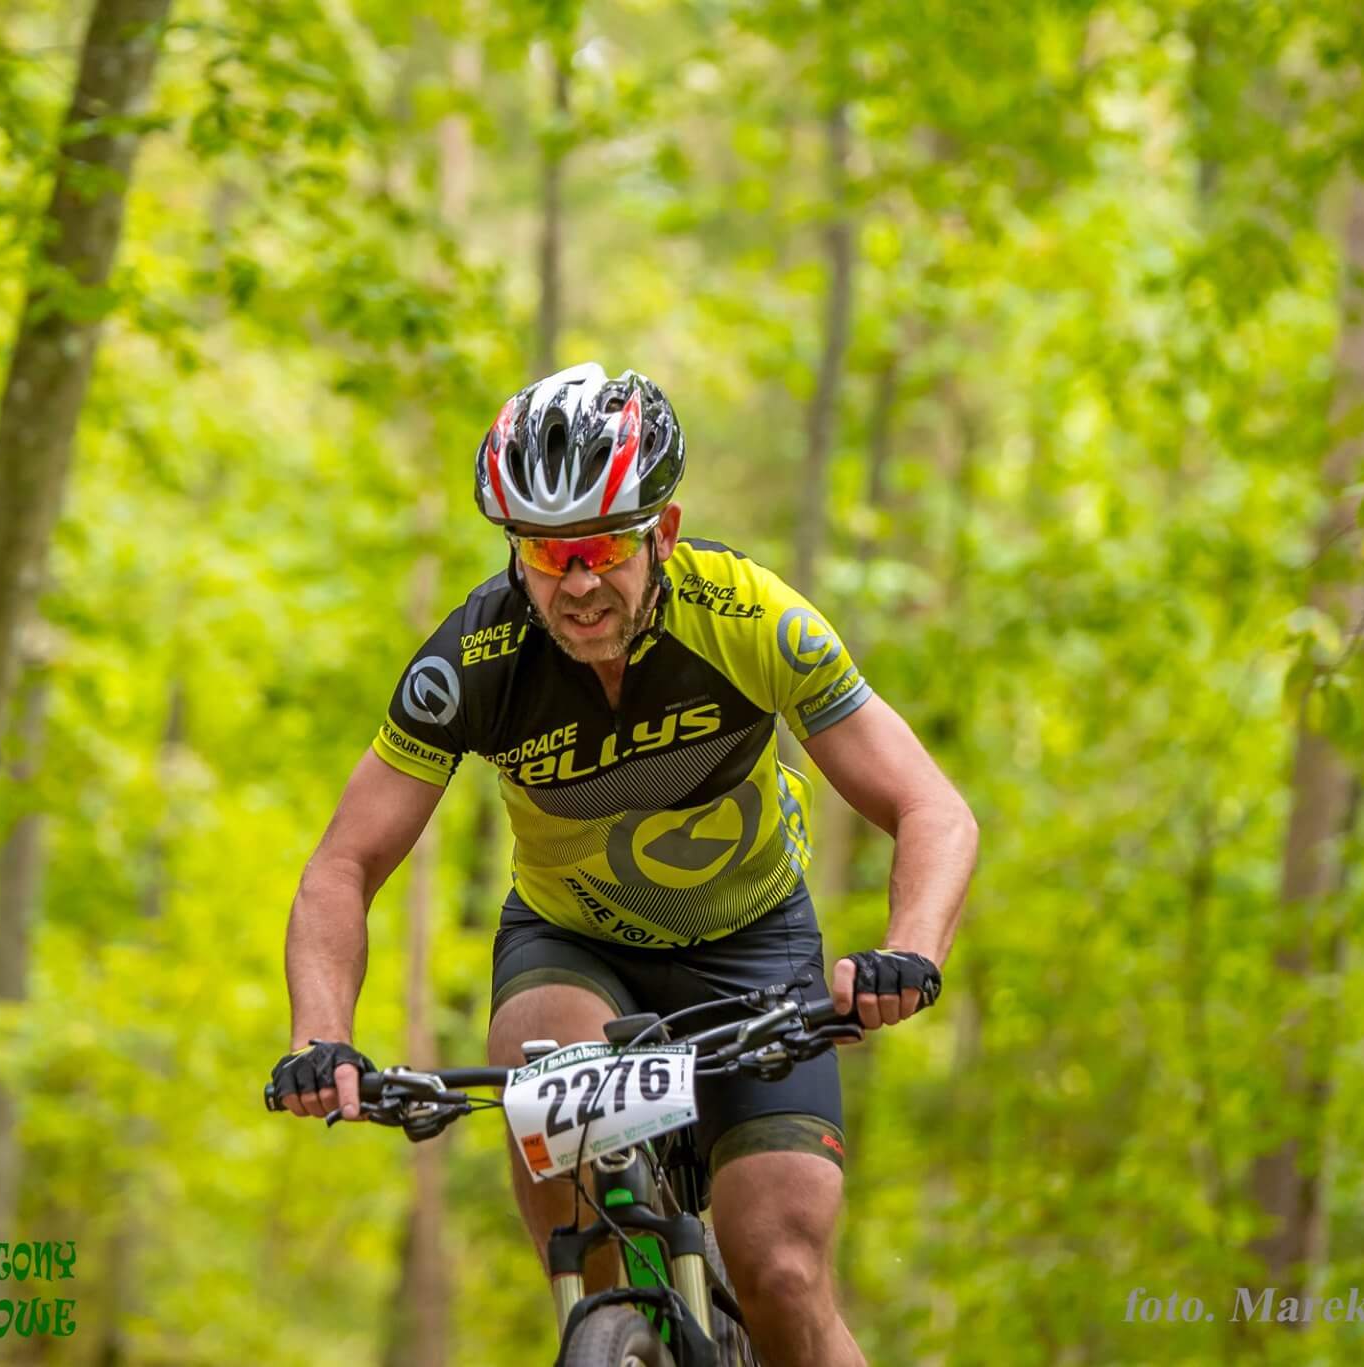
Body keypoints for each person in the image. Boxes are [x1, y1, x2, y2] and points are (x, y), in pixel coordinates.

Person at [273, 363, 977, 1367]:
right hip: (573, 946)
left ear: (664, 531)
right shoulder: (472, 662)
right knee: (556, 1126)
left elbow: (932, 809)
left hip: (753, 945)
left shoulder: (750, 619)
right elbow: (343, 864)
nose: (578, 583)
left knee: (783, 1272)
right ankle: (607, 1329)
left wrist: (908, 952)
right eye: (547, 553)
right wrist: (321, 1038)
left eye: (603, 546)